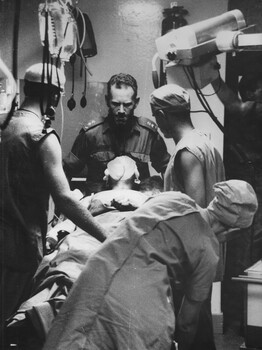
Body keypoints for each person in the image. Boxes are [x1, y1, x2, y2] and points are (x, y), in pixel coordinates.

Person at [42, 180, 258, 350]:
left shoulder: (174, 198)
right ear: (234, 230)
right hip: (137, 299)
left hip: (96, 273)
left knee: (73, 340)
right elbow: (187, 322)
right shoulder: (208, 251)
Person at [4, 156, 160, 349]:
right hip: (118, 237)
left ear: (105, 177)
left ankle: (49, 308)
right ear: (137, 176)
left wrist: (52, 239)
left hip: (89, 239)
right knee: (94, 262)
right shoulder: (151, 202)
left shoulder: (91, 200)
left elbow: (65, 226)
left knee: (69, 266)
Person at [0, 62, 106, 337]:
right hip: (19, 246)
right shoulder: (41, 136)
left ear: (25, 88)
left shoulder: (4, 126)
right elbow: (65, 200)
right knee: (12, 321)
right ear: (56, 96)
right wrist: (107, 238)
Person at [149, 83, 225, 350]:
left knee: (189, 329)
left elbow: (194, 209)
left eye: (156, 118)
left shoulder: (187, 152)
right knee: (201, 329)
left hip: (190, 258)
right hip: (205, 253)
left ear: (161, 115)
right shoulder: (205, 142)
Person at [210, 65, 262, 333]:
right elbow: (236, 106)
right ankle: (240, 321)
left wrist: (214, 78)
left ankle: (242, 320)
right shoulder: (251, 110)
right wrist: (214, 77)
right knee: (244, 251)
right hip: (251, 188)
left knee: (246, 250)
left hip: (252, 188)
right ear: (252, 92)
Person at [63, 73, 170, 195]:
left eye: (127, 104)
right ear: (107, 101)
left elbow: (168, 169)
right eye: (115, 104)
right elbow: (65, 172)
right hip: (99, 209)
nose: (121, 111)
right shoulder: (91, 134)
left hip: (137, 209)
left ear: (136, 102)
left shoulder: (148, 134)